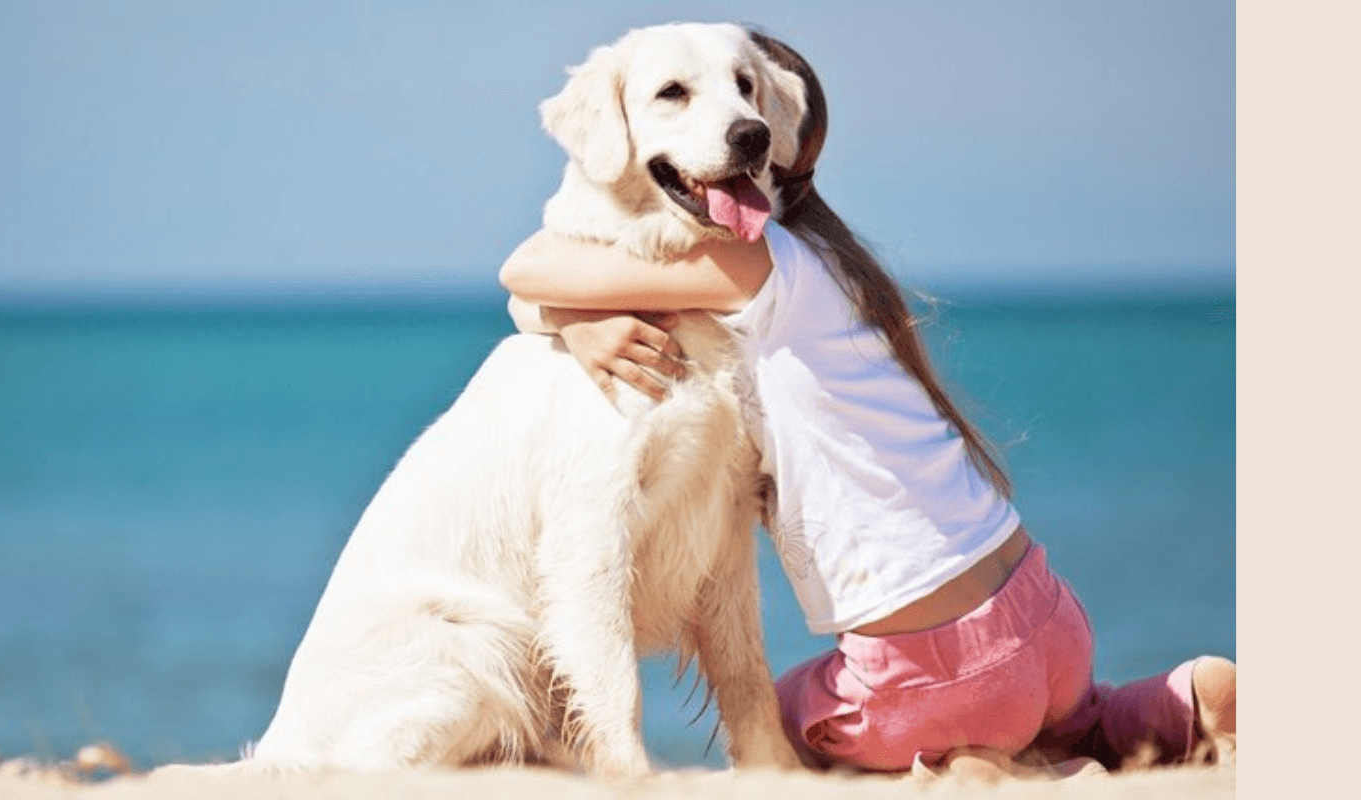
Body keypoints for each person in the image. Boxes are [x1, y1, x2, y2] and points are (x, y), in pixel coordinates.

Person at [498, 29, 1235, 776]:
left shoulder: (745, 263)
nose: (736, 120)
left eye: (747, 94)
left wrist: (569, 317)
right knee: (1070, 712)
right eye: (684, 95)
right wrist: (576, 317)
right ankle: (1171, 706)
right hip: (1047, 615)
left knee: (782, 723)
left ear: (780, 135)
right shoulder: (837, 270)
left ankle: (975, 761)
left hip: (935, 671)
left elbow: (527, 268)